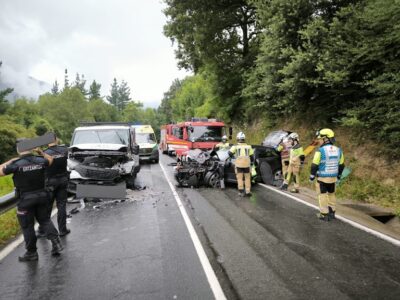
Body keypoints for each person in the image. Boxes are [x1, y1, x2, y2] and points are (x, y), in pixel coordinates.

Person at [0, 142, 63, 261]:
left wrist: (10, 161)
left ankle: (31, 253)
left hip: (26, 200)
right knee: (45, 221)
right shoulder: (40, 160)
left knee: (27, 226)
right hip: (42, 196)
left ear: (19, 149)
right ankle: (57, 244)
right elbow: (51, 160)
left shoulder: (15, 164)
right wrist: (40, 152)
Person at [37, 137, 70, 237]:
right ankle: (62, 230)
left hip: (50, 182)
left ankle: (43, 230)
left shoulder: (44, 153)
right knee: (61, 205)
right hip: (63, 180)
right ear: (56, 140)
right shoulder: (65, 150)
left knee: (47, 207)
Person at [309, 128, 345, 221]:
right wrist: (339, 175)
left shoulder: (320, 150)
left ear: (326, 139)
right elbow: (342, 165)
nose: (319, 141)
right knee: (332, 194)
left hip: (322, 178)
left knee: (322, 195)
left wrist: (312, 176)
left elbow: (314, 165)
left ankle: (324, 214)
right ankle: (332, 212)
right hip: (333, 178)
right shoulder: (339, 150)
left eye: (320, 139)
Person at [229, 132, 254, 197]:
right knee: (247, 178)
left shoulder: (235, 146)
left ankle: (241, 192)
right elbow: (252, 156)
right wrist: (252, 162)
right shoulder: (249, 146)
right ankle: (248, 191)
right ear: (244, 139)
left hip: (239, 165)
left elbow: (229, 153)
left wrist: (234, 157)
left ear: (237, 139)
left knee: (239, 178)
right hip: (247, 165)